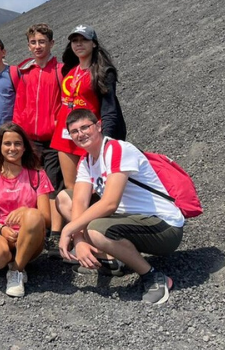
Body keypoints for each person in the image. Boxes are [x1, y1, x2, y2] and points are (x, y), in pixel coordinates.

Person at [57, 109, 184, 305]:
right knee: (65, 198)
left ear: (98, 126)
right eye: (74, 131)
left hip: (163, 225)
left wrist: (68, 230)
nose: (80, 134)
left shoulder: (117, 149)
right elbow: (79, 202)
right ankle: (112, 258)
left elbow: (110, 203)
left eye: (85, 127)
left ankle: (153, 276)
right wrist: (79, 240)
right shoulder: (86, 160)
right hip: (129, 220)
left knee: (97, 230)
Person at [50, 24, 127, 196]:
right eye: (75, 41)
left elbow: (109, 108)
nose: (79, 44)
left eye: (84, 40)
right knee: (71, 186)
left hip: (88, 135)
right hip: (65, 134)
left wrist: (107, 139)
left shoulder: (103, 72)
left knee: (93, 187)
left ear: (94, 43)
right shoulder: (69, 69)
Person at [0, 123, 53, 297]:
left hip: (29, 237)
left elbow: (47, 219)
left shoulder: (38, 174)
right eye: (7, 143)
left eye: (17, 143)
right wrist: (1, 229)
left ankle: (16, 270)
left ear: (25, 147)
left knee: (34, 214)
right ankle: (11, 260)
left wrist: (26, 211)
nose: (13, 148)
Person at [10, 23, 63, 247]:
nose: (38, 46)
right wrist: (17, 132)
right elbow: (19, 104)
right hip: (29, 139)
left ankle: (56, 234)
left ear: (52, 43)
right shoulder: (25, 71)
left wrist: (57, 125)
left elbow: (65, 103)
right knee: (31, 183)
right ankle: (36, 228)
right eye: (33, 42)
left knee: (53, 184)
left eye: (42, 42)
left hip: (53, 139)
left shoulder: (61, 70)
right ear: (28, 45)